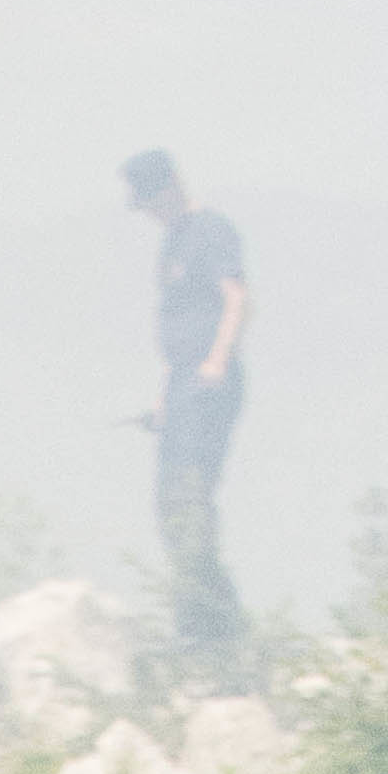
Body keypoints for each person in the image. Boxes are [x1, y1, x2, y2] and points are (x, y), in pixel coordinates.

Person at [124, 147, 251, 675]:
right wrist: (162, 398)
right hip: (179, 385)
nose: (150, 210)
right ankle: (197, 623)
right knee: (168, 504)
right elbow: (176, 322)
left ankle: (218, 630)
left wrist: (216, 363)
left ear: (172, 186)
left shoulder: (211, 230)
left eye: (153, 198)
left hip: (207, 383)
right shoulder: (170, 242)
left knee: (191, 499)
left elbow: (236, 298)